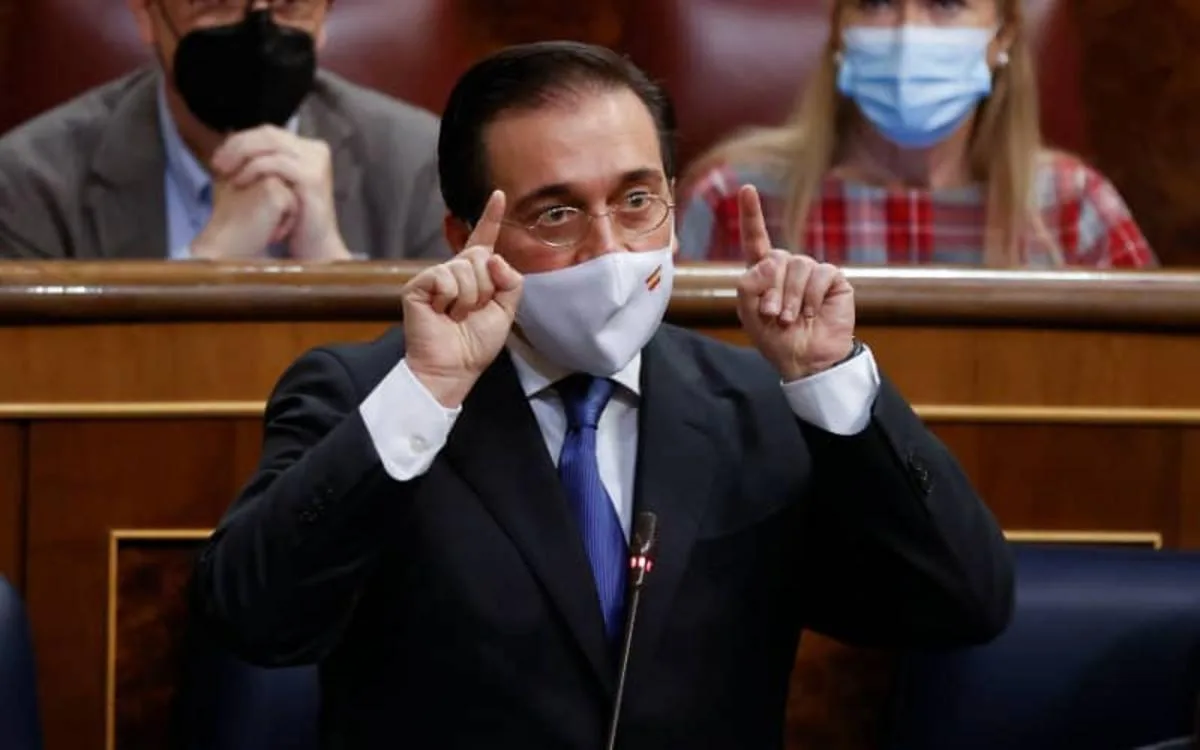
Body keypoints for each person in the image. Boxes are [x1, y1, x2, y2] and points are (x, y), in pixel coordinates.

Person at [189, 41, 1014, 748]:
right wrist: (428, 393)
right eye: (556, 215)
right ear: (465, 239)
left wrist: (834, 384)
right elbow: (255, 621)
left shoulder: (759, 406)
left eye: (637, 200)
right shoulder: (370, 396)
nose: (609, 249)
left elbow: (963, 604)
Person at [677, 0, 1156, 268]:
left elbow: (1154, 379)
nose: (908, 32)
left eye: (945, 4)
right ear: (840, 30)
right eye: (876, 3)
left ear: (1002, 37)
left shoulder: (1073, 208)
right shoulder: (733, 201)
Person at [0, 0, 448, 261]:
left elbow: (448, 383)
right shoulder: (29, 184)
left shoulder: (420, 165)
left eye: (289, 3)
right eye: (218, 0)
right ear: (145, 13)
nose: (259, 30)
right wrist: (206, 268)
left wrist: (333, 275)